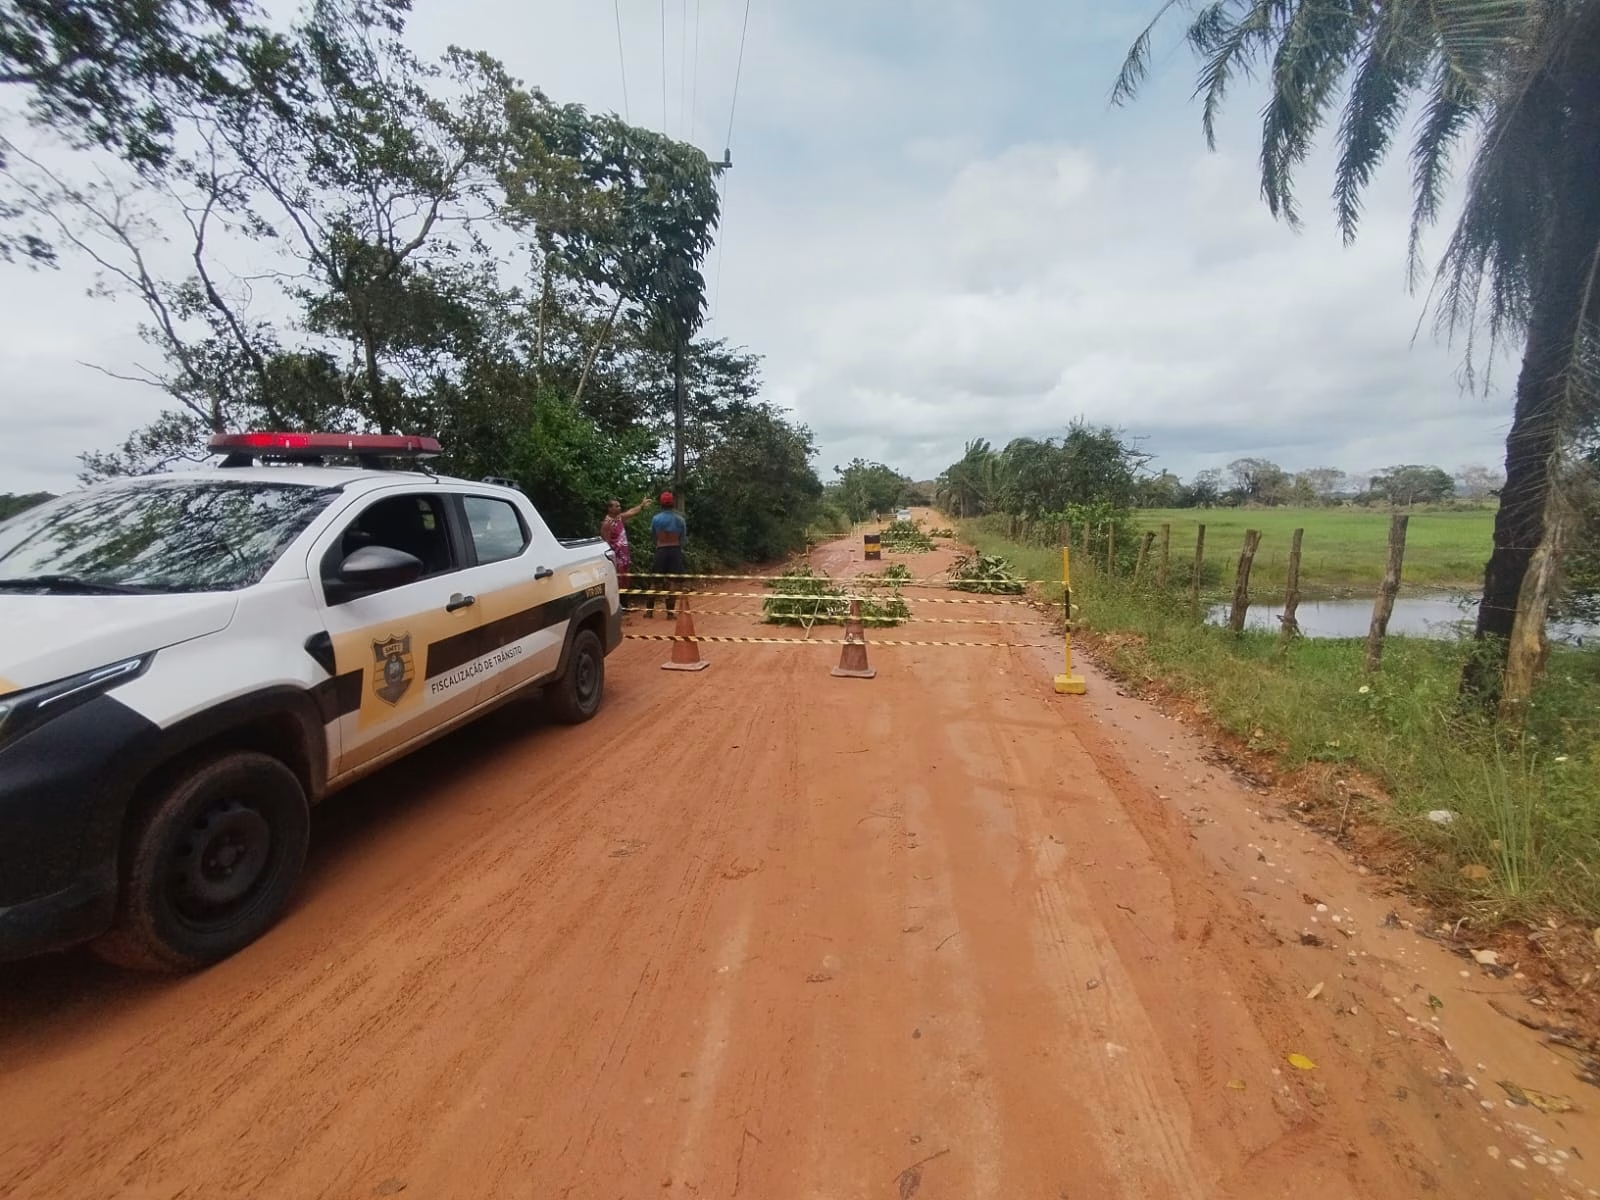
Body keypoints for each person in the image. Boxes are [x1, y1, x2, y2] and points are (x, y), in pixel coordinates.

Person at [645, 491, 689, 618]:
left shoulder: (656, 519)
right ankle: (670, 613)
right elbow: (682, 538)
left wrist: (659, 544)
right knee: (673, 582)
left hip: (661, 550)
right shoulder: (680, 520)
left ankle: (649, 611)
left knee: (654, 581)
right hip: (675, 550)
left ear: (661, 504)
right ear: (673, 503)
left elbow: (653, 536)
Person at [600, 497, 651, 607]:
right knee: (617, 581)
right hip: (616, 558)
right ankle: (618, 606)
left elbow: (631, 512)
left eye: (619, 505)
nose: (619, 507)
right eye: (616, 506)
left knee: (625, 580)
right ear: (609, 509)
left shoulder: (619, 518)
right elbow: (605, 543)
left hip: (624, 557)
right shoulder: (607, 524)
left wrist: (641, 506)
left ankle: (625, 605)